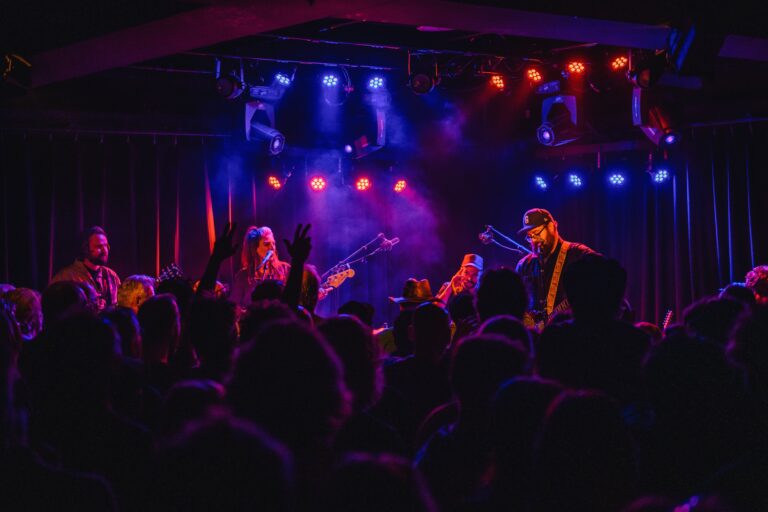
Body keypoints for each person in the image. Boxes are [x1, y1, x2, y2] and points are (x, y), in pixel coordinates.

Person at [514, 208, 595, 328]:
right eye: (530, 236)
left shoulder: (577, 254)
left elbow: (610, 274)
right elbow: (516, 302)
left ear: (553, 226)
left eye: (537, 233)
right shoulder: (524, 265)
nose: (534, 240)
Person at [51, 226, 120, 310]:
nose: (105, 250)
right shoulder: (66, 277)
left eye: (106, 246)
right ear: (85, 249)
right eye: (99, 247)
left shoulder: (111, 275)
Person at [230, 226, 291, 306]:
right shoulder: (243, 276)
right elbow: (234, 306)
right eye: (266, 244)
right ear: (254, 248)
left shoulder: (285, 269)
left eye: (273, 243)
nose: (272, 248)